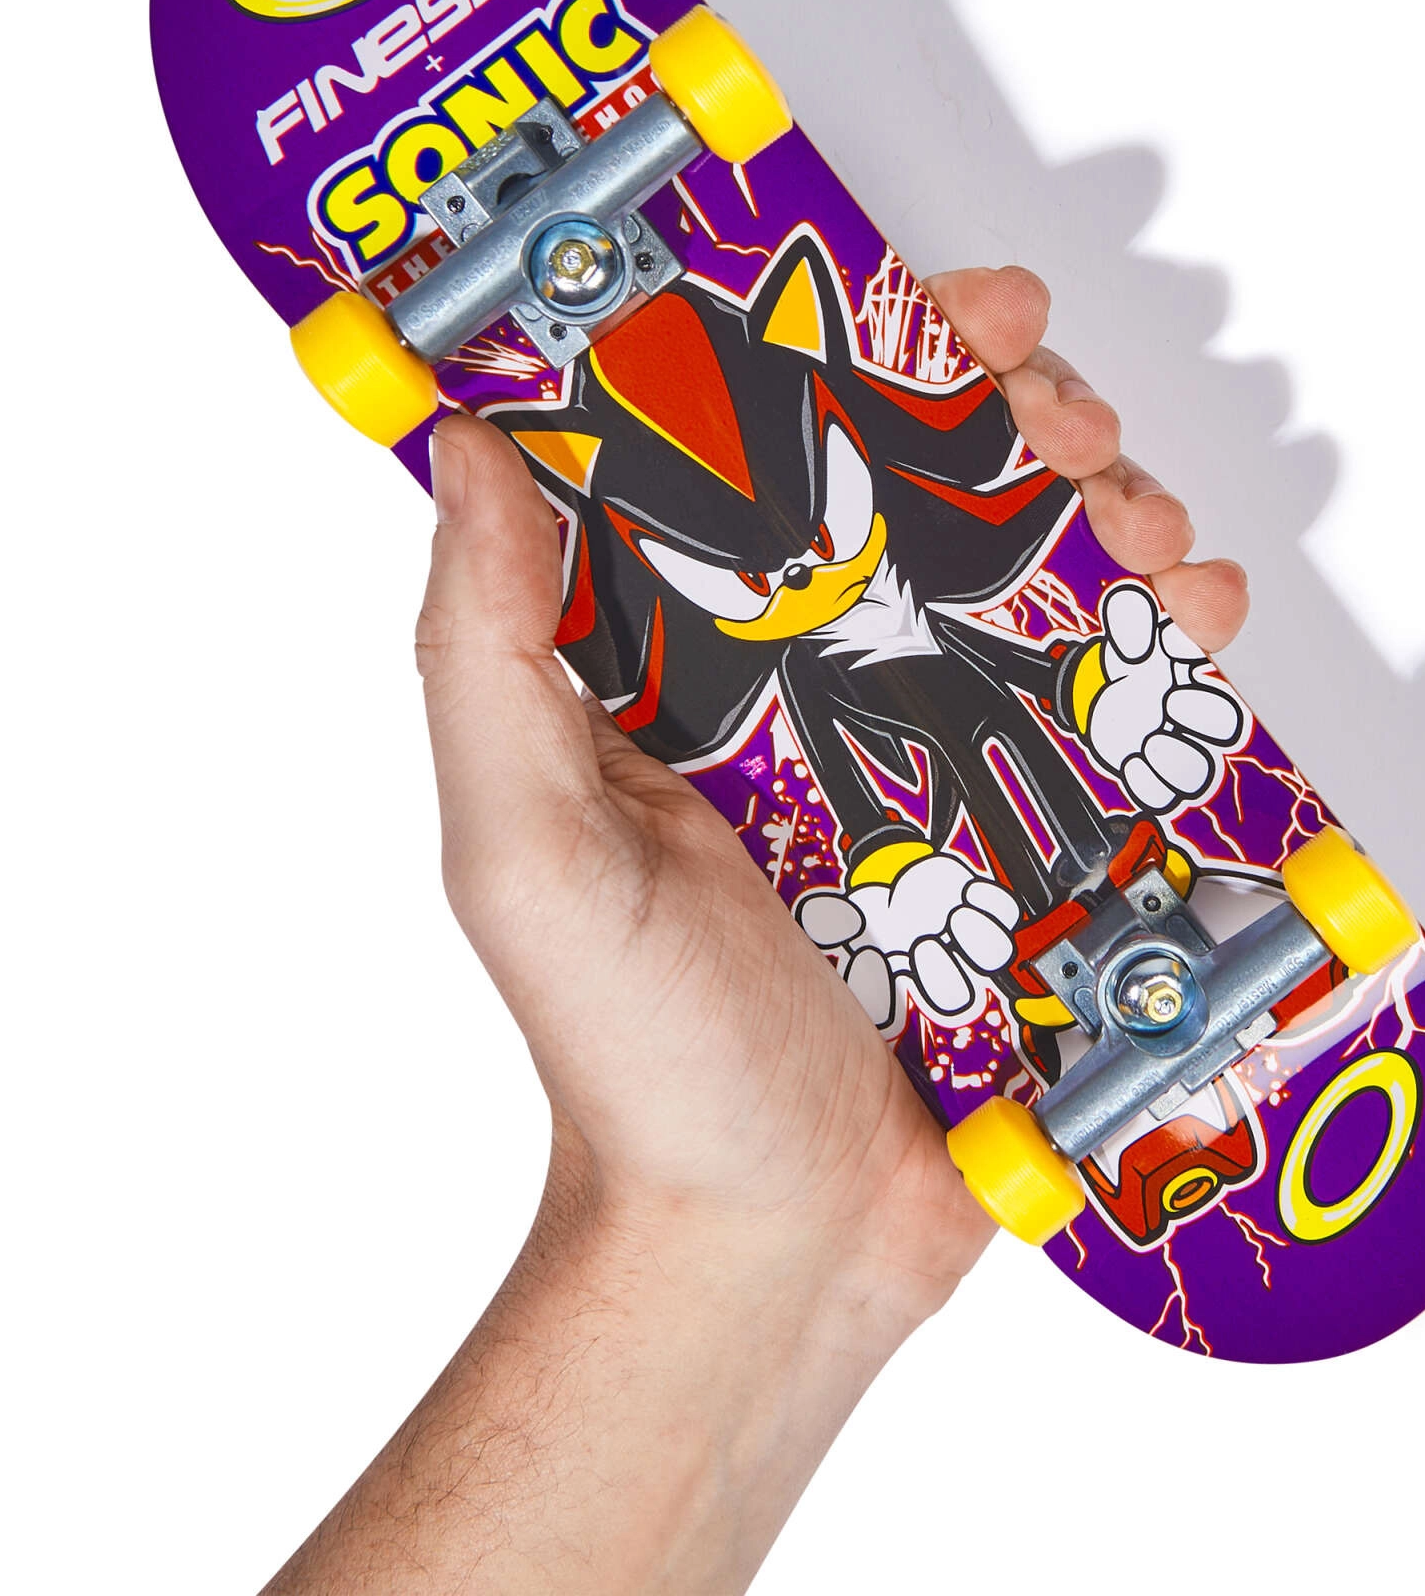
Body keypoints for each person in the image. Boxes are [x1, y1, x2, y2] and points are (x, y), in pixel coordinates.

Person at [264, 265, 1248, 1594]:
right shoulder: (801, 681)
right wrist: (892, 877)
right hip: (1006, 964)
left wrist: (1099, 685)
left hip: (1095, 831)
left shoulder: (897, 550)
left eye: (811, 521)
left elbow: (1010, 658)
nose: (800, 567)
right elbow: (856, 786)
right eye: (744, 564)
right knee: (963, 906)